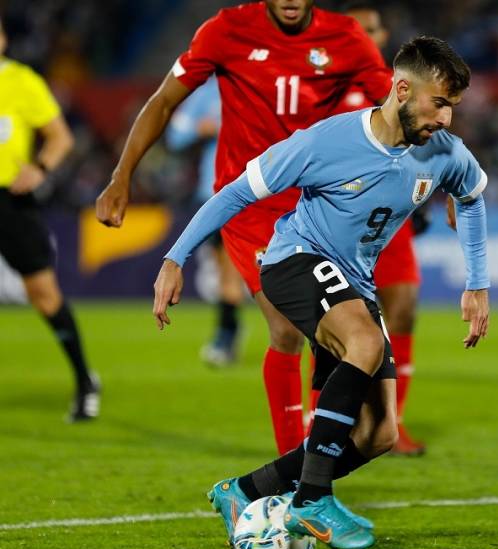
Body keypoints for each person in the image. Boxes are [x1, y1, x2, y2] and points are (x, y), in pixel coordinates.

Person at [153, 36, 489, 549]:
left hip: (355, 281)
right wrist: (175, 258)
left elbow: (470, 199)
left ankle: (244, 491)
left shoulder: (445, 152)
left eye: (453, 107)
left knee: (379, 433)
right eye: (438, 103)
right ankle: (311, 499)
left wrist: (476, 284)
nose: (446, 119)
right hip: (293, 260)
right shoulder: (325, 143)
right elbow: (236, 192)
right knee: (365, 342)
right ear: (401, 89)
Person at [95, 0, 391, 455]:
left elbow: (397, 110)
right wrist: (122, 175)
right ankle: (294, 476)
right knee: (288, 327)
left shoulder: (346, 37)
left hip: (321, 205)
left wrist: (451, 180)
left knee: (334, 336)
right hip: (250, 204)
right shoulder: (226, 30)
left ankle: (313, 476)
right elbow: (164, 101)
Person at [331, 0, 427, 455]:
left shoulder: (399, 92)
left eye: (372, 30)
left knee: (403, 307)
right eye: (357, 31)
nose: (367, 38)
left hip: (391, 220)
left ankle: (393, 424)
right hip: (337, 222)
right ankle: (328, 425)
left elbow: (428, 142)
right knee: (335, 327)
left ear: (384, 36)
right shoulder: (324, 86)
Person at [0, 16, 100, 422]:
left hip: (10, 200)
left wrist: (40, 168)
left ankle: (84, 381)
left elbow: (61, 137)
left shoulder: (21, 81)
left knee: (43, 295)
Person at [166, 76, 245, 367]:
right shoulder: (207, 93)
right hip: (213, 193)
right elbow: (176, 133)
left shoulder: (258, 84)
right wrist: (202, 128)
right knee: (226, 271)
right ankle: (228, 330)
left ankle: (229, 331)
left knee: (238, 272)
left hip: (255, 191)